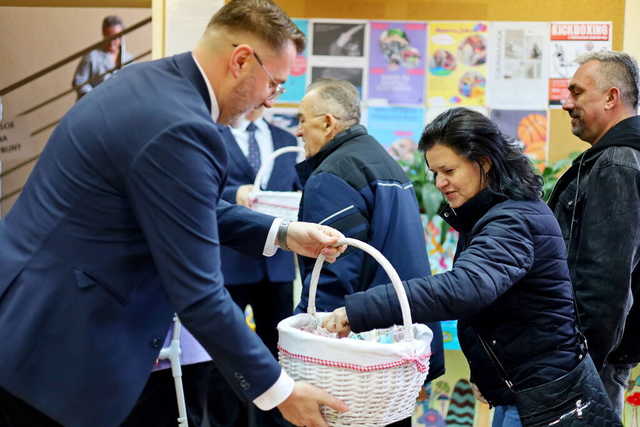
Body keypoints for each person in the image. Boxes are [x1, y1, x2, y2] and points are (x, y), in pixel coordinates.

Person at [0, 1, 350, 427]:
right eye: (274, 86)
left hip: (33, 311)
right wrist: (282, 391)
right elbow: (200, 294)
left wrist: (283, 232)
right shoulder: (181, 127)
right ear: (241, 61)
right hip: (58, 345)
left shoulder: (148, 80)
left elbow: (180, 206)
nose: (270, 101)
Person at [323, 108, 618, 427]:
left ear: (484, 163)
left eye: (448, 170)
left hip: (546, 398)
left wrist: (361, 310)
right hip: (526, 390)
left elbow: (466, 288)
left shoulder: (512, 221)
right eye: (435, 172)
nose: (439, 182)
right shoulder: (490, 214)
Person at [293, 78, 444, 427]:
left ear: (328, 122)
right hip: (397, 350)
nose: (298, 131)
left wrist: (305, 344)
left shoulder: (331, 176)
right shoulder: (382, 161)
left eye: (303, 120)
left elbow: (332, 276)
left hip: (356, 360)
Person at [548, 50, 640, 415]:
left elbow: (606, 281)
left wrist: (578, 366)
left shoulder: (616, 164)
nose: (566, 102)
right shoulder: (614, 159)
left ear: (611, 97)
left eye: (577, 92)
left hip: (589, 365)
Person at [207, 106, 302, 427]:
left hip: (277, 267)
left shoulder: (286, 140)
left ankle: (273, 422)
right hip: (228, 262)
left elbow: (296, 193)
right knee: (225, 354)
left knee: (278, 354)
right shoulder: (211, 135)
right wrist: (235, 194)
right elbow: (197, 190)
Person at [72, 15, 133, 100]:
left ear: (122, 36)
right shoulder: (91, 56)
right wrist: (95, 97)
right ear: (103, 34)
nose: (111, 42)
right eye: (108, 37)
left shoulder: (128, 59)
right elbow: (79, 82)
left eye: (115, 37)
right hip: (94, 106)